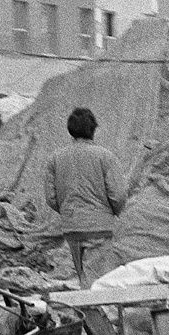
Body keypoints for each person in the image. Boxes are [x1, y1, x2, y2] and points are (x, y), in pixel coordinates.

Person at [45, 107, 126, 287]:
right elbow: (118, 195)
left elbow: (50, 197)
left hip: (71, 227)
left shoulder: (55, 159)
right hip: (99, 227)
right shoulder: (106, 157)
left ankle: (87, 312)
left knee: (84, 278)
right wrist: (112, 213)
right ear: (93, 129)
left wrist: (67, 209)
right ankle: (95, 314)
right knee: (99, 283)